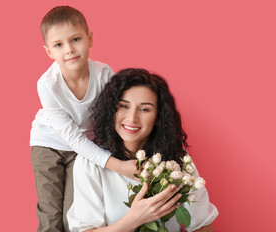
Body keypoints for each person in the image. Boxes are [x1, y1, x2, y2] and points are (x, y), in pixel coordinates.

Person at [67, 68, 219, 231]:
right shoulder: (90, 164)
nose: (132, 118)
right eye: (123, 106)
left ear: (158, 117)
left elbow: (203, 225)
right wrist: (134, 219)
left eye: (145, 109)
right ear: (112, 111)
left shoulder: (178, 162)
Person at [30, 6, 137, 232]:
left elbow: (114, 117)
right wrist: (118, 166)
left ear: (89, 39)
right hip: (48, 145)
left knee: (76, 216)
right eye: (59, 45)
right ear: (49, 51)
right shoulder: (47, 85)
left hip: (83, 149)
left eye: (75, 39)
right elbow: (70, 136)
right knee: (51, 216)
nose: (69, 50)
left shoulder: (104, 74)